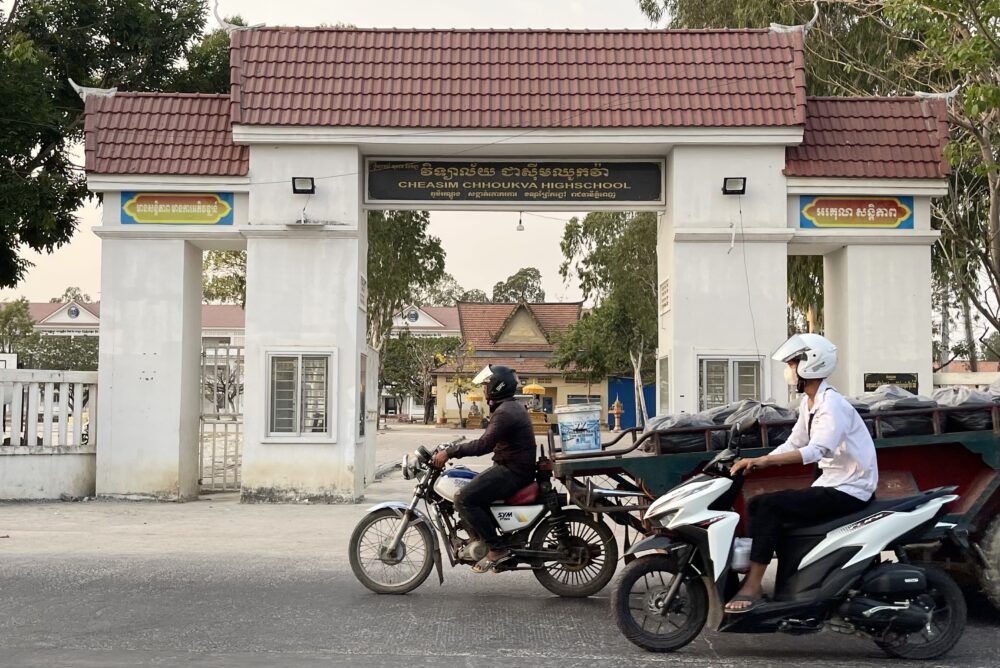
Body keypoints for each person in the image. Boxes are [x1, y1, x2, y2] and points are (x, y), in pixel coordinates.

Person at [725, 333, 878, 613]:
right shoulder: (810, 403)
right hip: (832, 484)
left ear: (811, 364)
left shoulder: (831, 405)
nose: (789, 370)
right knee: (757, 504)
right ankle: (775, 580)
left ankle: (754, 586)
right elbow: (794, 442)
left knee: (771, 506)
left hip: (849, 490)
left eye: (793, 363)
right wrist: (756, 462)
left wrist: (766, 463)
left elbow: (817, 450)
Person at [432, 364, 537, 573]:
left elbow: (484, 445)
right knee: (473, 488)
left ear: (497, 387)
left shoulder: (505, 412)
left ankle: (496, 548)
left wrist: (451, 452)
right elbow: (487, 440)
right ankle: (486, 538)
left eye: (487, 385)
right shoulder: (510, 408)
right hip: (514, 468)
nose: (484, 389)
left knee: (463, 498)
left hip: (512, 471)